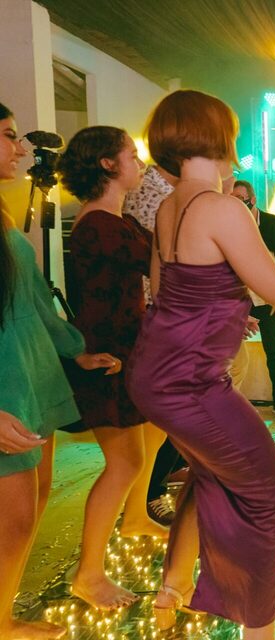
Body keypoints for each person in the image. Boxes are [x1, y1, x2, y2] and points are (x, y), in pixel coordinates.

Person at [126, 89, 275, 639]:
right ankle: (257, 626)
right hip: (189, 383)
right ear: (217, 136)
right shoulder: (221, 207)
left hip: (157, 373)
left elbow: (168, 294)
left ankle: (174, 587)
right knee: (269, 493)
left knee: (213, 473)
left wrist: (222, 313)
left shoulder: (170, 206)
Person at [0, 101, 118, 640]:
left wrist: (75, 351)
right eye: (8, 135)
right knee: (13, 518)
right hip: (7, 388)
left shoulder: (3, 216)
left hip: (30, 376)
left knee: (32, 505)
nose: (20, 148)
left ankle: (4, 612)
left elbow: (33, 301)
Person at [57, 126, 171, 610]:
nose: (139, 164)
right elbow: (160, 259)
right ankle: (88, 573)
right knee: (124, 462)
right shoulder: (100, 225)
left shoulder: (115, 220)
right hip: (107, 356)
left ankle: (136, 519)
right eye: (132, 155)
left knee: (151, 438)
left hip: (128, 348)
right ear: (108, 164)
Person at [122, 163, 183, 527]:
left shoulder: (168, 194)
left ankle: (152, 490)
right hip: (154, 322)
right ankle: (149, 495)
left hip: (162, 321)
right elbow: (162, 270)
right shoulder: (154, 194)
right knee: (162, 419)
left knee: (167, 421)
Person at [230, 180, 275, 418]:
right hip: (239, 300)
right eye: (232, 199)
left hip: (268, 298)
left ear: (253, 200)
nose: (237, 204)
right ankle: (229, 402)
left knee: (274, 351)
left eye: (241, 199)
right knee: (230, 354)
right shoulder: (227, 225)